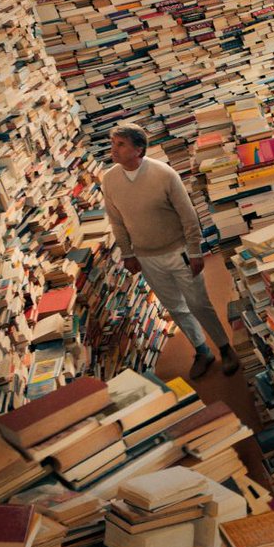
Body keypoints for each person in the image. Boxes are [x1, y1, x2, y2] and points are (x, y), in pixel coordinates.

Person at [101, 123, 240, 380]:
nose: (114, 149)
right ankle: (202, 351)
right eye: (113, 144)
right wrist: (128, 254)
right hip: (146, 257)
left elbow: (189, 216)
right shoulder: (109, 180)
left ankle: (224, 347)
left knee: (198, 303)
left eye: (120, 144)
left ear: (138, 149)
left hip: (179, 251)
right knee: (175, 307)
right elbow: (116, 221)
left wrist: (195, 252)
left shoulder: (164, 174)